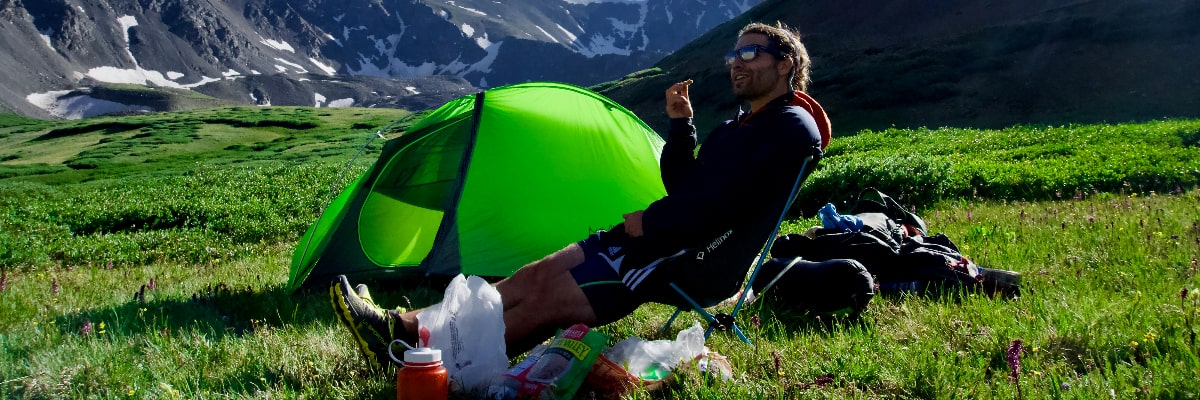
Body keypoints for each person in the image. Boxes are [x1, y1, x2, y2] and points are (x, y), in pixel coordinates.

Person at [331, 21, 831, 371]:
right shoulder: (745, 126)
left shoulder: (790, 127)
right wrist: (682, 126)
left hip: (689, 257)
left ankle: (434, 363)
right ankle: (405, 329)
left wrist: (651, 225)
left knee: (546, 301)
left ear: (786, 64)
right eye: (733, 55)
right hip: (664, 237)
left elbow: (722, 207)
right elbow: (687, 185)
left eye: (750, 53)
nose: (736, 64)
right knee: (534, 274)